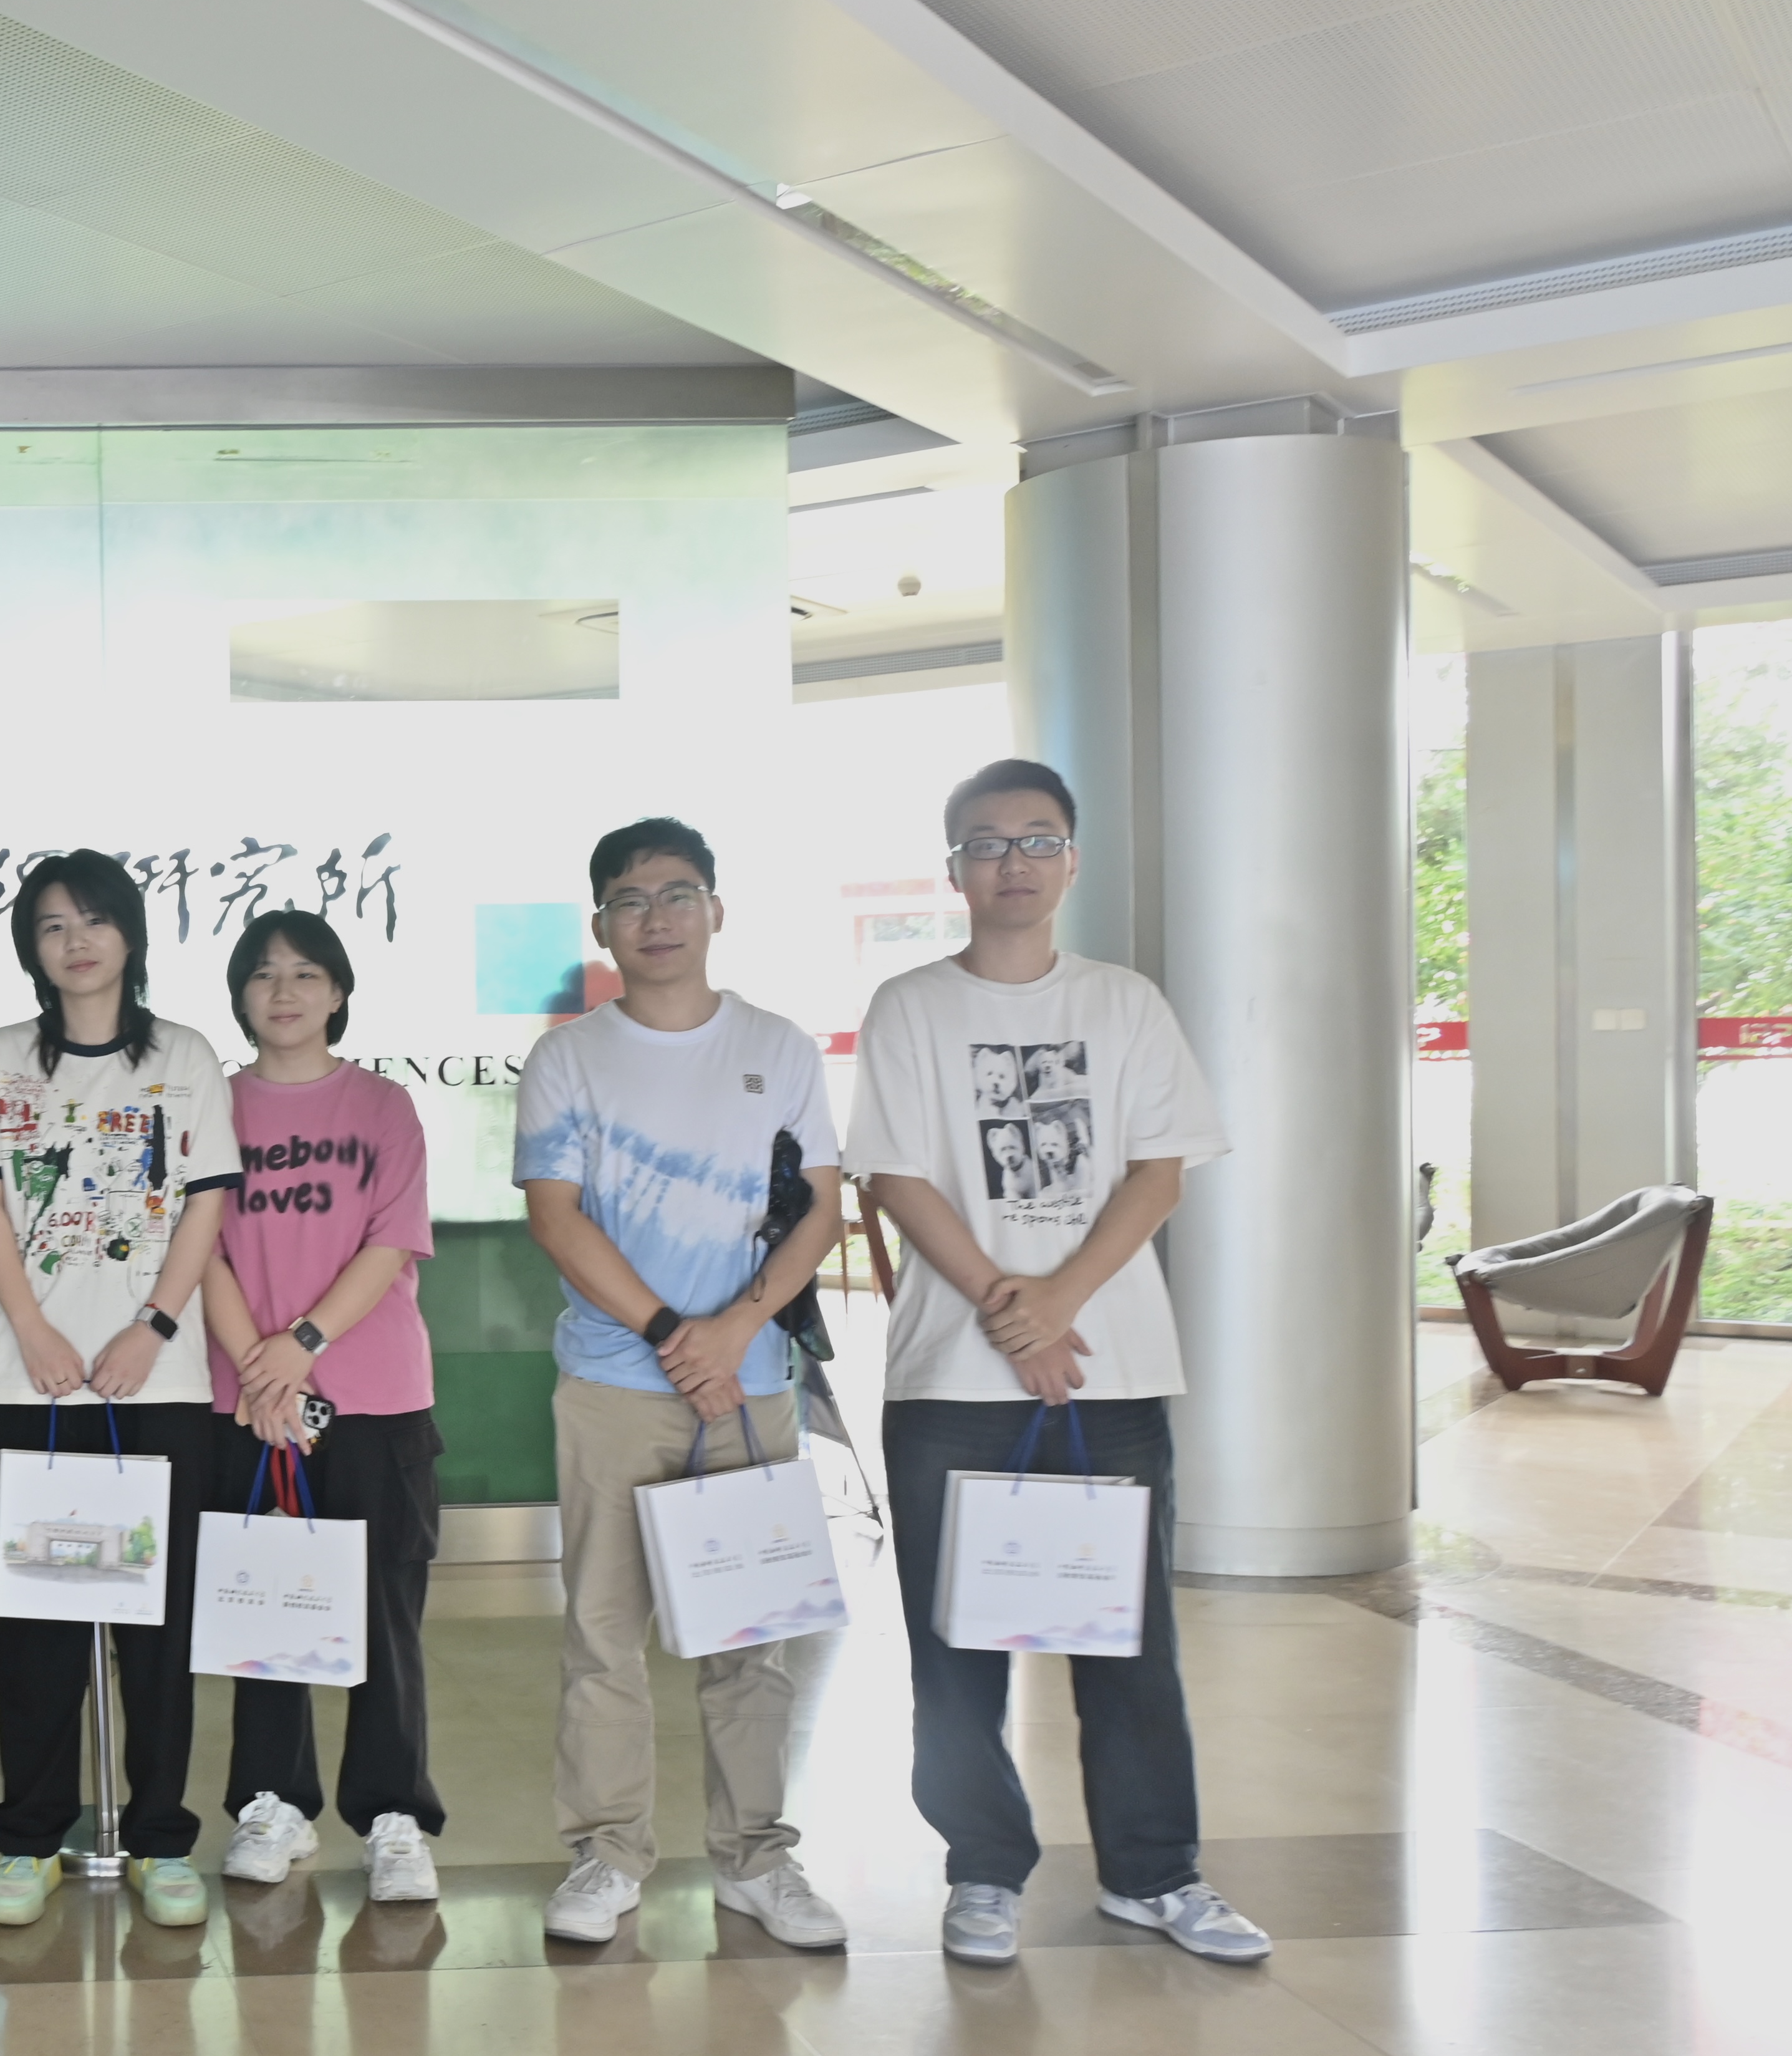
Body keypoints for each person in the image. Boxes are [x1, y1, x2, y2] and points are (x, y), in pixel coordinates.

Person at [847, 758, 1269, 1966]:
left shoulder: (1124, 1004)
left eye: (1038, 839)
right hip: (951, 1378)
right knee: (956, 1644)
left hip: (1110, 1370)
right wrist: (1003, 1305)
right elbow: (895, 1176)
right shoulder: (910, 1006)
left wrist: (1058, 1305)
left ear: (1072, 861)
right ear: (955, 871)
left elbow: (1159, 1171)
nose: (1015, 862)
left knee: (1125, 1637)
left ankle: (1155, 1873)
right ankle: (982, 1869)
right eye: (988, 843)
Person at [511, 818, 850, 1951]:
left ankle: (757, 1858)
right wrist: (671, 1335)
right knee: (604, 1633)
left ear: (716, 910)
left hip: (750, 1386)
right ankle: (607, 1854)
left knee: (752, 1638)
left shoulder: (777, 1046)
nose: (655, 918)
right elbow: (557, 1217)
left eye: (676, 895)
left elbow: (822, 1210)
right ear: (601, 925)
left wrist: (734, 1329)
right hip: (615, 1384)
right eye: (630, 900)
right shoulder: (570, 1058)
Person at [0, 852, 240, 1930]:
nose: (77, 942)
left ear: (131, 936)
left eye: (96, 921)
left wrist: (151, 1326)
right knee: (36, 1627)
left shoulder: (185, 1057)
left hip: (157, 1382)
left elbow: (204, 1207)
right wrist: (32, 1329)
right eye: (53, 925)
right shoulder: (0, 1060)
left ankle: (161, 1839)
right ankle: (29, 1840)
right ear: (32, 948)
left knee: (154, 1631)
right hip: (28, 1385)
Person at [195, 910, 446, 1904]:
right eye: (264, 975)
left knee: (384, 1612)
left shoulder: (383, 1105)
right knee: (266, 1605)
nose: (285, 992)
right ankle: (274, 1804)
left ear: (338, 991)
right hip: (247, 1402)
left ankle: (393, 1814)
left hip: (374, 1396)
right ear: (240, 996)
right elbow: (200, 1252)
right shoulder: (212, 1107)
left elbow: (391, 1241)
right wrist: (260, 1373)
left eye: (306, 974)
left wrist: (297, 1348)